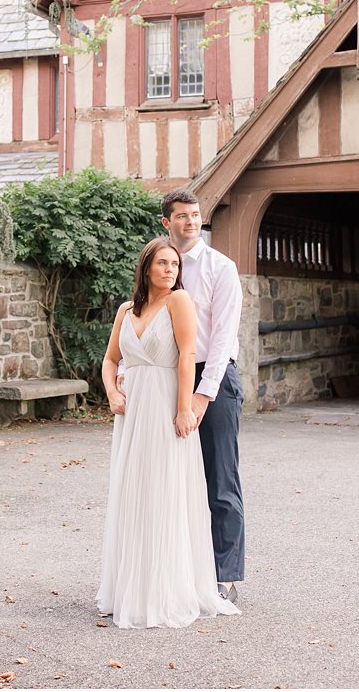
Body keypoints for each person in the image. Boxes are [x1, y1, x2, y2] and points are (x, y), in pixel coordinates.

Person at [95, 237, 241, 629]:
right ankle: (132, 587)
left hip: (164, 407)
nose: (170, 271)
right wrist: (111, 392)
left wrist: (184, 409)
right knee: (134, 491)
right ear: (146, 268)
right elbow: (111, 360)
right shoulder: (126, 310)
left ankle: (164, 590)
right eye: (162, 264)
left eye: (175, 265)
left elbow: (188, 356)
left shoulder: (180, 301)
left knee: (164, 491)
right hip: (132, 414)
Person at [160, 187, 245, 604]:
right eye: (182, 216)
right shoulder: (160, 266)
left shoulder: (220, 268)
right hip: (168, 379)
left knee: (220, 480)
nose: (191, 222)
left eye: (195, 215)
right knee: (173, 479)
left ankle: (224, 576)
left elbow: (225, 338)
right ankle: (179, 570)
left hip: (214, 378)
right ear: (167, 223)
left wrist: (201, 396)